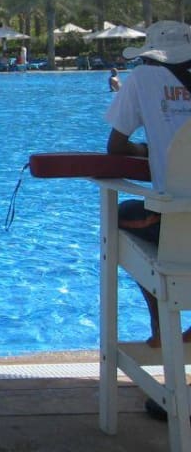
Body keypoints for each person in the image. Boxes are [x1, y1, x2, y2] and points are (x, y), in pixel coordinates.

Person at [105, 21, 191, 351]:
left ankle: (162, 329)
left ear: (151, 56)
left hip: (175, 225)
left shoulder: (143, 79)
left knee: (116, 216)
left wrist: (149, 150)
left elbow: (116, 146)